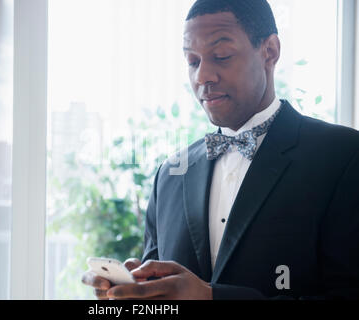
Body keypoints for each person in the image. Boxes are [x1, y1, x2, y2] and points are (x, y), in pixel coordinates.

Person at [82, 0, 359, 300]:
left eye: (221, 56)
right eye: (192, 61)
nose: (202, 77)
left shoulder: (343, 156)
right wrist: (131, 294)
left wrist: (212, 297)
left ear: (270, 51)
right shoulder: (170, 176)